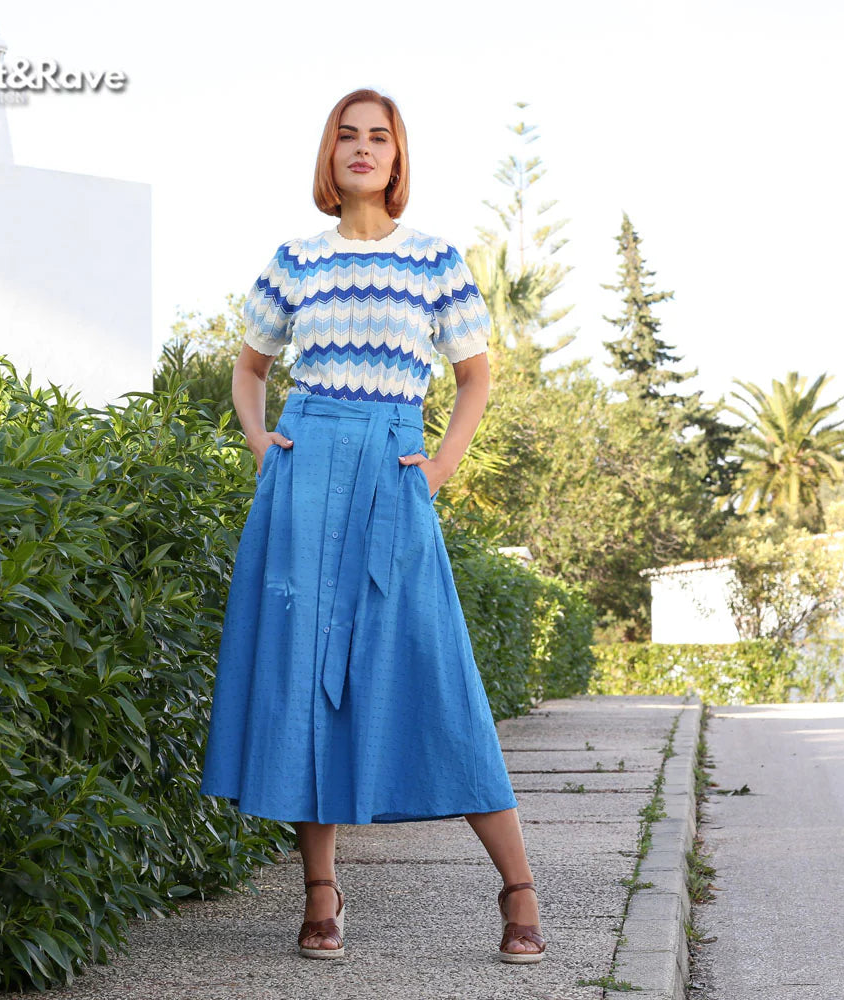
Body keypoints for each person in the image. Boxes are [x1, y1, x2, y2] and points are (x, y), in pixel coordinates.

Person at [199, 87, 545, 965]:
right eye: (346, 136)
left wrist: (438, 467)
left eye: (378, 137)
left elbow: (475, 377)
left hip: (394, 469)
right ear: (329, 155)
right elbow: (248, 370)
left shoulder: (436, 260)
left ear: (398, 158)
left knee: (438, 671)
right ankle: (321, 897)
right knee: (311, 679)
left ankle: (518, 888)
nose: (361, 149)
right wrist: (261, 443)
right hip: (305, 468)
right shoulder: (294, 260)